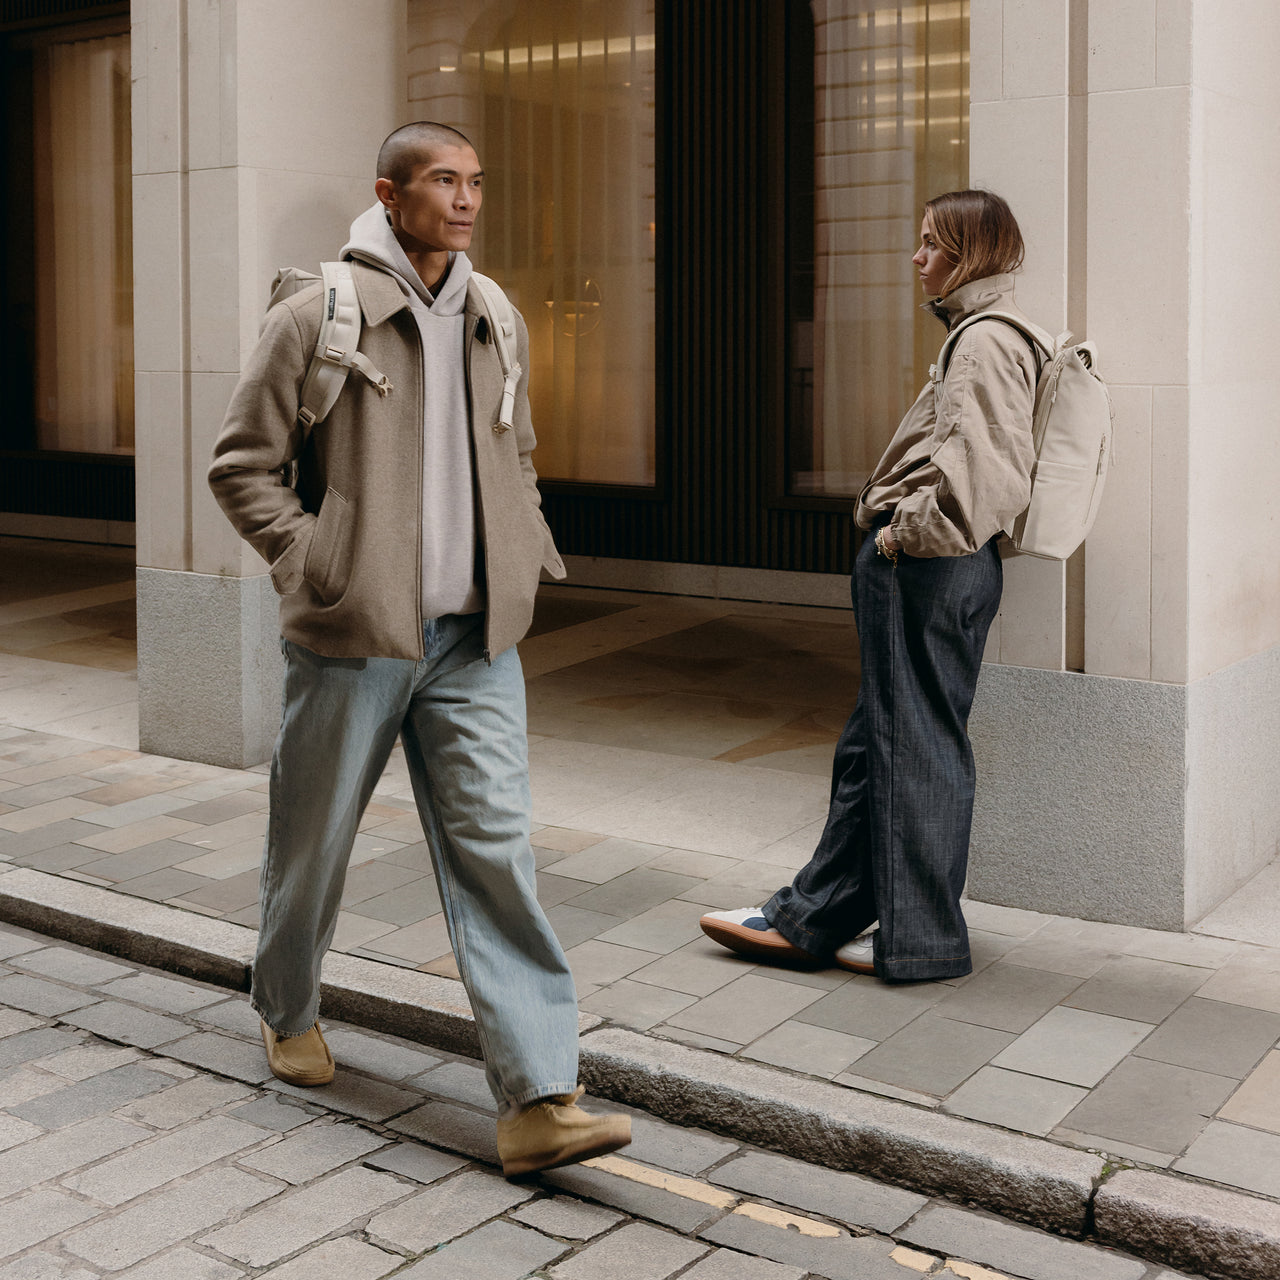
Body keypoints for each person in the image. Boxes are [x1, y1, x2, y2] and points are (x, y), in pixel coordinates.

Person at [208, 121, 630, 1176]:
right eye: (443, 180)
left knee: (497, 851)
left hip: (475, 641)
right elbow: (240, 464)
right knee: (313, 840)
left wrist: (522, 553)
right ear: (389, 194)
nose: (466, 198)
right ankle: (286, 1002)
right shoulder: (319, 315)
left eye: (476, 181)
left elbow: (517, 451)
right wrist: (320, 561)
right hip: (355, 636)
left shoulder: (494, 315)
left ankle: (537, 1094)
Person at [701, 190, 1039, 983]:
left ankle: (917, 941)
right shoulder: (985, 334)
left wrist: (897, 535)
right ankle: (817, 916)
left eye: (931, 243)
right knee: (881, 746)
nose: (917, 257)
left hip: (927, 564)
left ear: (969, 252)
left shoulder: (984, 341)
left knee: (908, 747)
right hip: (943, 566)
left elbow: (981, 473)